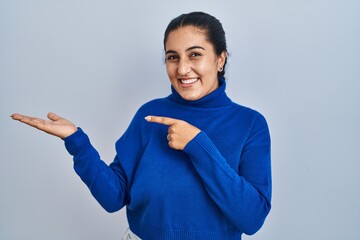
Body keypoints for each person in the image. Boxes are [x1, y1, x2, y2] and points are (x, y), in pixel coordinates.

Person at [11, 11, 271, 240]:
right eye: (172, 57)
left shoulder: (250, 124)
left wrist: (198, 146)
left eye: (195, 55)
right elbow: (114, 198)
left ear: (220, 59)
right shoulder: (149, 115)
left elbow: (251, 219)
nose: (182, 69)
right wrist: (77, 142)